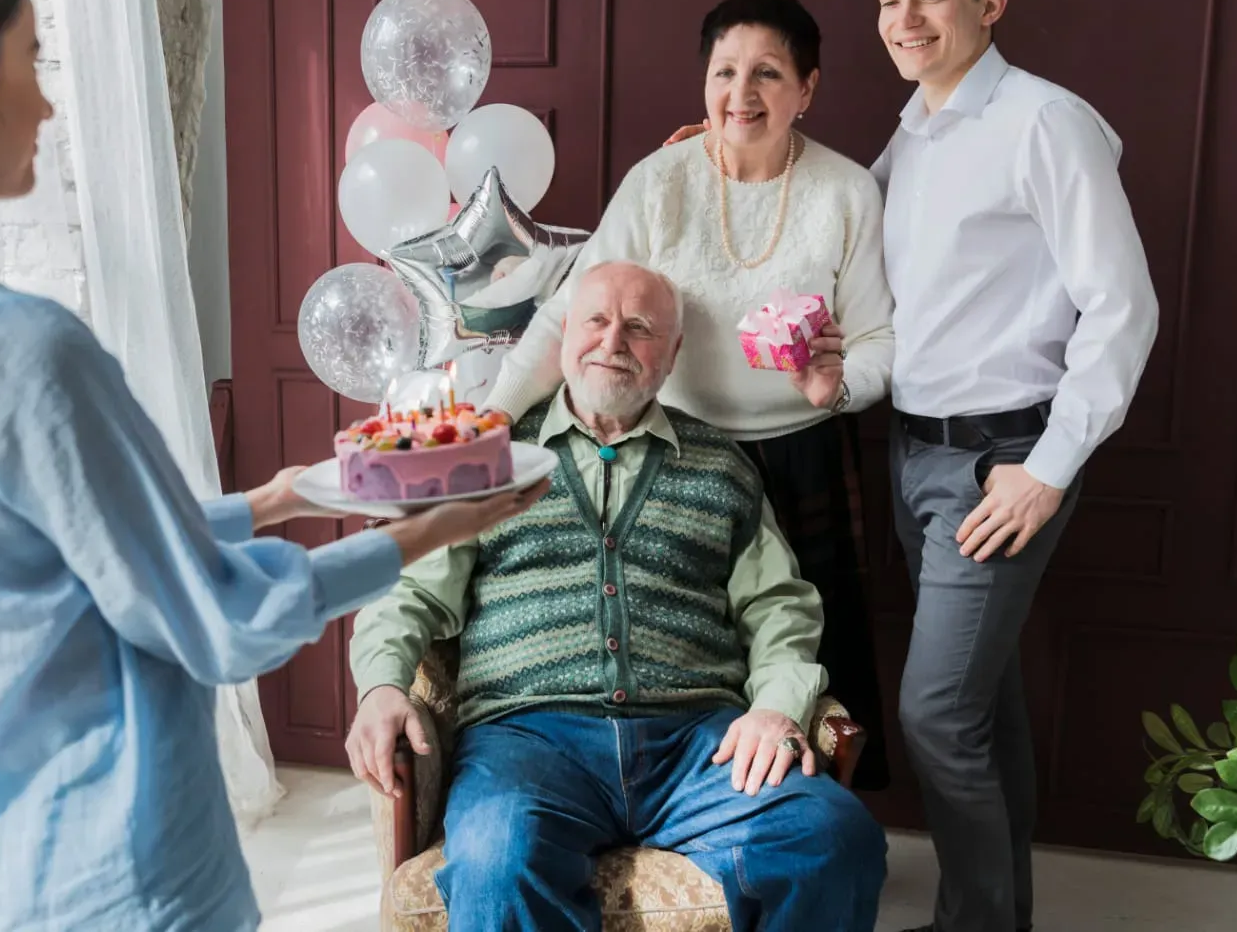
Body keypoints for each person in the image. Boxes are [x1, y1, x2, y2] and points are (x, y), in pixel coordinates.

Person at [0, 0, 546, 932]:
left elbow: (56, 567)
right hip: (117, 877)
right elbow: (219, 616)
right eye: (27, 61)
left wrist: (264, 501)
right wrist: (430, 529)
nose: (46, 107)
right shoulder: (16, 345)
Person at [348, 261, 887, 932]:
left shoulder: (721, 465)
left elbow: (780, 607)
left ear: (674, 352)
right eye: (596, 320)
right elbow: (409, 594)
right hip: (528, 738)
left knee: (835, 838)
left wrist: (776, 707)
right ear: (565, 332)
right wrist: (380, 687)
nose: (613, 342)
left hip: (698, 743)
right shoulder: (488, 460)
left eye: (640, 327)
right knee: (496, 859)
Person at [486, 0, 896, 788]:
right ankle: (684, 798)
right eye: (725, 72)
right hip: (670, 448)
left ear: (806, 90)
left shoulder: (848, 191)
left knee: (811, 651)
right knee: (676, 651)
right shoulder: (659, 179)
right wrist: (491, 419)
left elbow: (881, 340)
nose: (740, 95)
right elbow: (574, 309)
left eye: (768, 74)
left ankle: (807, 814)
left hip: (803, 453)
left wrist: (835, 388)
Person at [868, 0, 1157, 932]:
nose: (904, 19)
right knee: (978, 705)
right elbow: (853, 256)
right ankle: (999, 917)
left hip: (1004, 459)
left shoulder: (1044, 121)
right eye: (889, 0)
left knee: (934, 710)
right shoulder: (910, 130)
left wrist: (1048, 465)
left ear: (988, 4)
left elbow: (1123, 305)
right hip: (914, 452)